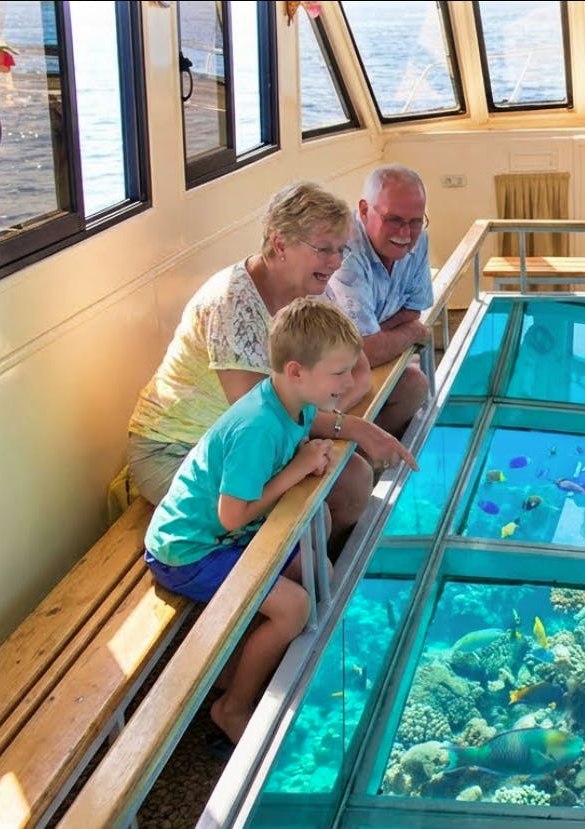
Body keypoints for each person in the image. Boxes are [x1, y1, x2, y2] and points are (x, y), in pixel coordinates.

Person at [119, 181, 416, 535]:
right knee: (309, 521)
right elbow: (260, 413)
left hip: (253, 438)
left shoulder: (309, 292)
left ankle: (317, 575)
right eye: (324, 249)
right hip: (180, 448)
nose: (335, 263)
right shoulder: (232, 302)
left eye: (341, 250)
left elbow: (359, 371)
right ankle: (293, 580)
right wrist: (347, 425)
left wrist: (320, 419)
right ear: (280, 244)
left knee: (352, 478)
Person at [142, 297, 361, 745]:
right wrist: (298, 469)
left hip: (227, 534)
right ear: (297, 371)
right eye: (339, 373)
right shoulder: (257, 427)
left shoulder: (294, 404)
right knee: (294, 606)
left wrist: (302, 462)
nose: (350, 381)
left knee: (319, 572)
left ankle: (266, 671)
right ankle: (232, 707)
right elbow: (230, 515)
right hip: (190, 549)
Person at [328, 164, 433, 438]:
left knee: (415, 387)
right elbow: (368, 351)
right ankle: (350, 461)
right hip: (323, 371)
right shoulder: (344, 255)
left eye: (415, 221)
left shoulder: (418, 240)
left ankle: (368, 458)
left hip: (353, 360)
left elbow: (414, 309)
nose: (406, 233)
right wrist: (414, 332)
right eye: (394, 220)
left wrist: (378, 334)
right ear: (364, 211)